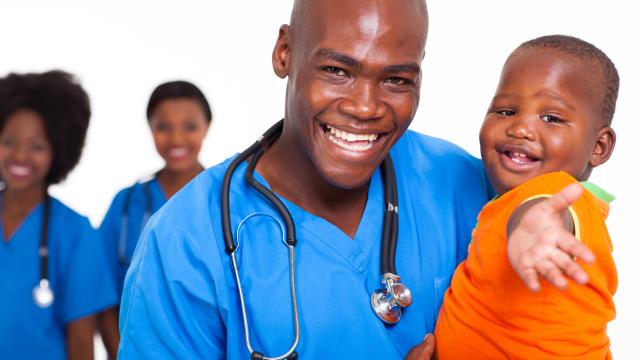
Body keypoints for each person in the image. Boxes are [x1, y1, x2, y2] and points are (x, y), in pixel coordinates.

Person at [118, 1, 591, 358]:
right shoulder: (185, 240)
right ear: (285, 52)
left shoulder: (462, 182)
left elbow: (570, 206)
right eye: (337, 70)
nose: (366, 106)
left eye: (397, 80)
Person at [435, 35, 618, 359]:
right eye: (506, 111)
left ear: (599, 147)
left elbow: (545, 210)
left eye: (551, 118)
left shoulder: (557, 193)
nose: (520, 128)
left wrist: (539, 231)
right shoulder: (511, 200)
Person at [0, 70, 117, 360]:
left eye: (37, 146)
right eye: (9, 141)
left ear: (59, 151)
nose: (21, 156)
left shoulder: (76, 233)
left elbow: (81, 343)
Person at [97, 80, 212, 358]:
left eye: (190, 126)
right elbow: (102, 292)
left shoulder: (227, 201)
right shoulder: (126, 204)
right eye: (163, 127)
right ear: (150, 128)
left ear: (207, 126)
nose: (176, 139)